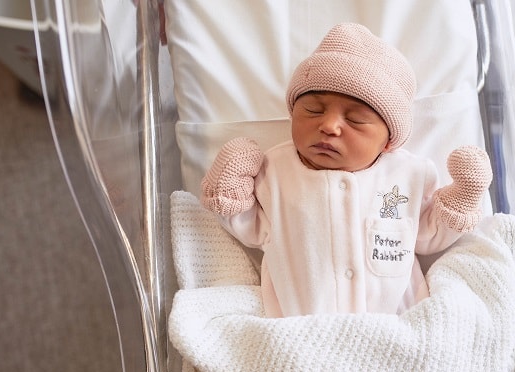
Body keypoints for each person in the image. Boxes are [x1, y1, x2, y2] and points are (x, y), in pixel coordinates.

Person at [201, 22, 492, 317]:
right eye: (313, 110)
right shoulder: (276, 172)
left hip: (396, 329)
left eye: (355, 120)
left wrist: (463, 196)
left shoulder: (408, 175)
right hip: (301, 330)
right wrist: (229, 182)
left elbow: (428, 237)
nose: (328, 126)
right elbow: (250, 230)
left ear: (388, 141)